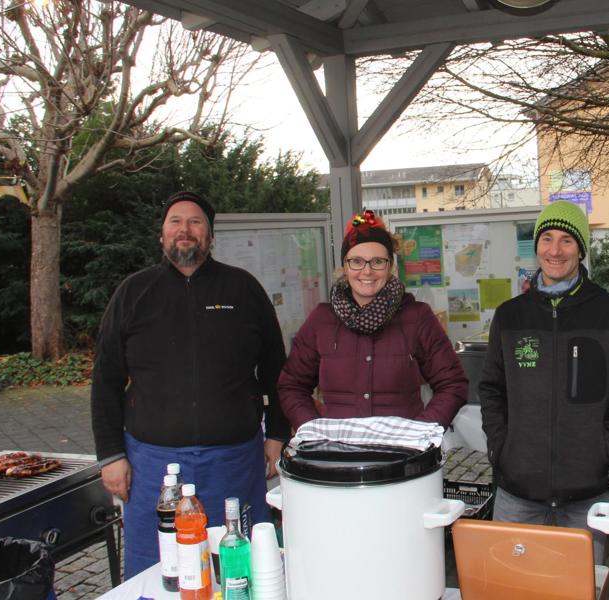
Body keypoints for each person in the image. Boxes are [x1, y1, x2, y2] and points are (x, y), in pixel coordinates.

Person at [90, 191, 290, 578]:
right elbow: (106, 378)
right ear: (162, 235)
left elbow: (275, 369)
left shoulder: (243, 289)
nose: (185, 230)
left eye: (195, 222)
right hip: (152, 468)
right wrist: (111, 455)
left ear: (211, 236)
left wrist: (277, 432)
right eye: (175, 222)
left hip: (233, 462)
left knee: (238, 569)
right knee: (159, 571)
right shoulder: (133, 292)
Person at [478, 200, 609, 563]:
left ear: (581, 250)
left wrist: (606, 449)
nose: (554, 250)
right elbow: (492, 389)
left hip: (589, 495)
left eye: (566, 241)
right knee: (516, 589)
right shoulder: (511, 316)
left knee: (585, 587)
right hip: (517, 494)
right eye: (546, 238)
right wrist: (501, 448)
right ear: (536, 246)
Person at [278, 210, 467, 430]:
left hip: (402, 456)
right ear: (344, 267)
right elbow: (291, 385)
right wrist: (315, 432)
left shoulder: (417, 317)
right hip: (337, 455)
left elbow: (453, 384)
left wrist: (419, 434)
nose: (367, 271)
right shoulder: (322, 320)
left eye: (377, 261)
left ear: (390, 267)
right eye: (356, 261)